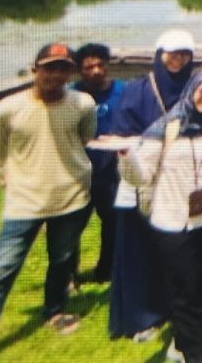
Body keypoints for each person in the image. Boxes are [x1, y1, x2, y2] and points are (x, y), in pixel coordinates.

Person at [0, 43, 96, 363]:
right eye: (49, 67)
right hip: (24, 202)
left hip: (71, 197)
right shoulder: (8, 108)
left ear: (71, 74)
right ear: (35, 70)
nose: (55, 75)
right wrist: (15, 173)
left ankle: (55, 311)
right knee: (1, 271)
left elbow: (84, 139)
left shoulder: (83, 103)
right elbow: (0, 150)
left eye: (63, 69)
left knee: (62, 260)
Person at [119, 67, 202, 363]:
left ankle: (185, 340)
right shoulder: (165, 129)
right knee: (185, 289)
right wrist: (126, 158)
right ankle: (199, 354)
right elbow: (140, 177)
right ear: (192, 88)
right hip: (173, 220)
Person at [108, 29, 196, 342]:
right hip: (141, 180)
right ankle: (140, 316)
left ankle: (175, 307)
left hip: (180, 185)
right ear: (159, 55)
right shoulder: (138, 89)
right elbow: (122, 131)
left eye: (185, 54)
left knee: (176, 251)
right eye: (172, 53)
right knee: (137, 249)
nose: (178, 59)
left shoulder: (196, 89)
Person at [72, 42, 126, 283]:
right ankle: (68, 274)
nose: (95, 71)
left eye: (100, 65)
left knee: (113, 224)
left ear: (107, 66)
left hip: (111, 172)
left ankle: (106, 269)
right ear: (79, 70)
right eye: (88, 67)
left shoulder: (123, 91)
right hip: (78, 172)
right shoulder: (71, 96)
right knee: (71, 226)